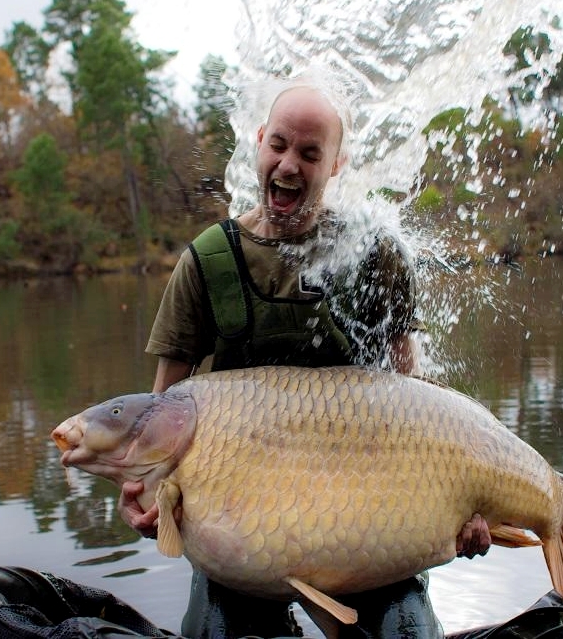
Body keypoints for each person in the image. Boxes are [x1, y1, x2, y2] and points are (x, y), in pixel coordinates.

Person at [119, 79, 491, 638]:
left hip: (372, 532)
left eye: (310, 154)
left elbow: (420, 412)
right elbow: (157, 415)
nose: (289, 165)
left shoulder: (378, 253)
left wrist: (467, 504)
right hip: (241, 539)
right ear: (259, 140)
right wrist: (142, 496)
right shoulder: (206, 263)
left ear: (336, 164)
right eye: (280, 145)